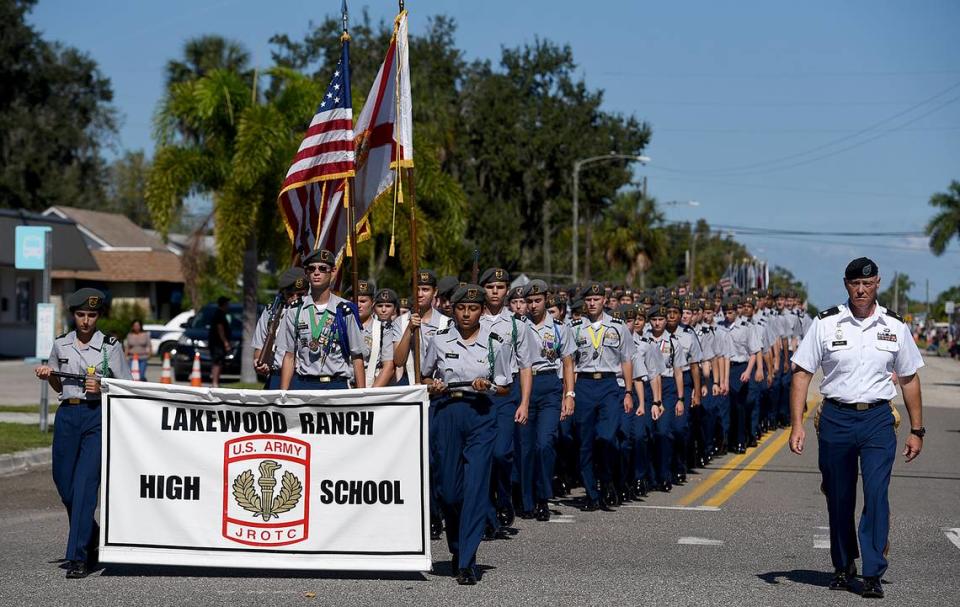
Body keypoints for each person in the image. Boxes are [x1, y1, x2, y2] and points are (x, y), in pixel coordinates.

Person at [789, 257, 924, 599]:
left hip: (878, 419)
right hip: (836, 417)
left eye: (867, 284)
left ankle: (873, 571)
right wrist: (796, 425)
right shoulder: (826, 323)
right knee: (839, 495)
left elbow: (908, 379)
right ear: (845, 284)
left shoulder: (894, 326)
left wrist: (917, 429)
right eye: (854, 284)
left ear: (877, 283)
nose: (861, 290)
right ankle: (843, 565)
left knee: (877, 494)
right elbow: (802, 373)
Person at [34, 288, 132, 578]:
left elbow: (126, 386)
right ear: (73, 315)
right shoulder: (61, 344)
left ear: (99, 316)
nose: (86, 321)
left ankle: (78, 557)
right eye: (80, 315)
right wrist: (49, 376)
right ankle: (91, 538)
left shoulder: (110, 346)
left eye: (91, 315)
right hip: (67, 416)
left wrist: (101, 387)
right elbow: (58, 385)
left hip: (95, 417)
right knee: (65, 486)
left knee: (85, 485)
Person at [421, 284, 513, 585]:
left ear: (481, 311)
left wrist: (487, 386)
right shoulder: (439, 339)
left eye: (472, 308)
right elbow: (425, 375)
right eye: (461, 308)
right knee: (448, 491)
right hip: (448, 411)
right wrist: (431, 385)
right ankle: (458, 548)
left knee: (474, 488)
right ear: (453, 309)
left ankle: (468, 560)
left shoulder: (495, 342)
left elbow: (505, 386)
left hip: (480, 414)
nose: (466, 313)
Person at [478, 267, 534, 532]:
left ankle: (504, 495)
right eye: (490, 287)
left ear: (507, 290)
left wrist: (524, 402)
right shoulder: (471, 318)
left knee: (501, 453)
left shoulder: (516, 324)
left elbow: (525, 366)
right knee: (483, 456)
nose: (495, 292)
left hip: (503, 394)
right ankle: (487, 513)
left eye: (500, 288)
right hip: (478, 395)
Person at [569, 282, 634, 509]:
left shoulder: (618, 326)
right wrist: (569, 394)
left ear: (604, 301)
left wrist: (628, 391)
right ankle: (591, 493)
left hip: (609, 384)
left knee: (606, 437)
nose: (592, 303)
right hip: (585, 384)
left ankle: (607, 481)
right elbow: (570, 363)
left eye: (596, 299)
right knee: (584, 443)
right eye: (588, 299)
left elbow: (626, 359)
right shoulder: (575, 327)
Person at [517, 280, 575, 521]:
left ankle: (543, 498)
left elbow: (568, 362)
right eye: (528, 301)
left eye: (537, 300)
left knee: (545, 443)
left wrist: (569, 394)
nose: (532, 305)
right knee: (526, 448)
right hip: (523, 386)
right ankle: (527, 501)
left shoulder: (560, 327)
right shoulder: (518, 326)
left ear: (546, 299)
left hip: (549, 385)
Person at [276, 249, 368, 391]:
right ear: (306, 273)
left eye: (323, 268)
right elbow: (289, 356)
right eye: (311, 269)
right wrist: (283, 395)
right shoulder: (295, 310)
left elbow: (357, 356)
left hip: (336, 385)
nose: (316, 273)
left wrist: (362, 395)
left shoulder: (344, 310)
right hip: (304, 385)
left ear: (333, 271)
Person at [252, 268, 308, 389]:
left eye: (300, 294)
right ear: (283, 293)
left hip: (305, 378)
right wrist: (259, 362)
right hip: (276, 376)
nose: (295, 298)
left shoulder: (314, 312)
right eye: (290, 294)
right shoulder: (271, 312)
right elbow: (259, 347)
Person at [356, 280, 398, 388]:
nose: (358, 305)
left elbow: (388, 367)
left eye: (363, 301)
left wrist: (371, 395)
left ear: (372, 303)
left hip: (371, 385)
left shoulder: (383, 329)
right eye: (355, 301)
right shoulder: (343, 326)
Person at [208, 296, 231, 388]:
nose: (228, 306)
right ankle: (215, 383)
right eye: (227, 304)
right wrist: (225, 342)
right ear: (224, 304)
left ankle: (215, 382)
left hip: (217, 343)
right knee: (217, 362)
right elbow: (220, 329)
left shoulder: (221, 314)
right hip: (217, 343)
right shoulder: (219, 314)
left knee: (218, 362)